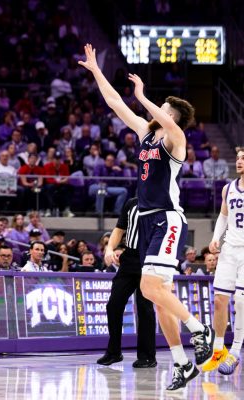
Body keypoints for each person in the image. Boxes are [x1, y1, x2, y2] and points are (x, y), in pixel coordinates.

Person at [79, 43, 213, 391]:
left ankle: (200, 329)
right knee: (156, 292)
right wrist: (96, 71)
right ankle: (183, 363)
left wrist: (142, 93)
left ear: (173, 118)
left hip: (168, 219)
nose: (158, 110)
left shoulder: (176, 141)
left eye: (165, 109)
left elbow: (164, 117)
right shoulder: (146, 134)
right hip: (150, 221)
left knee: (149, 287)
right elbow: (115, 103)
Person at [97, 198, 156, 368]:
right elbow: (119, 229)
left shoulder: (163, 202)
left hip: (150, 258)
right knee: (114, 304)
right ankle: (114, 352)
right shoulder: (132, 203)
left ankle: (147, 356)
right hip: (129, 257)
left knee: (144, 307)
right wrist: (109, 248)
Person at [204, 148, 244, 375]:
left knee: (240, 300)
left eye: (243, 159)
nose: (239, 162)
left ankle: (235, 352)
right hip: (229, 249)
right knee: (219, 300)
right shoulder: (228, 189)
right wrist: (214, 237)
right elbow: (224, 216)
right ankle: (218, 349)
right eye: (238, 158)